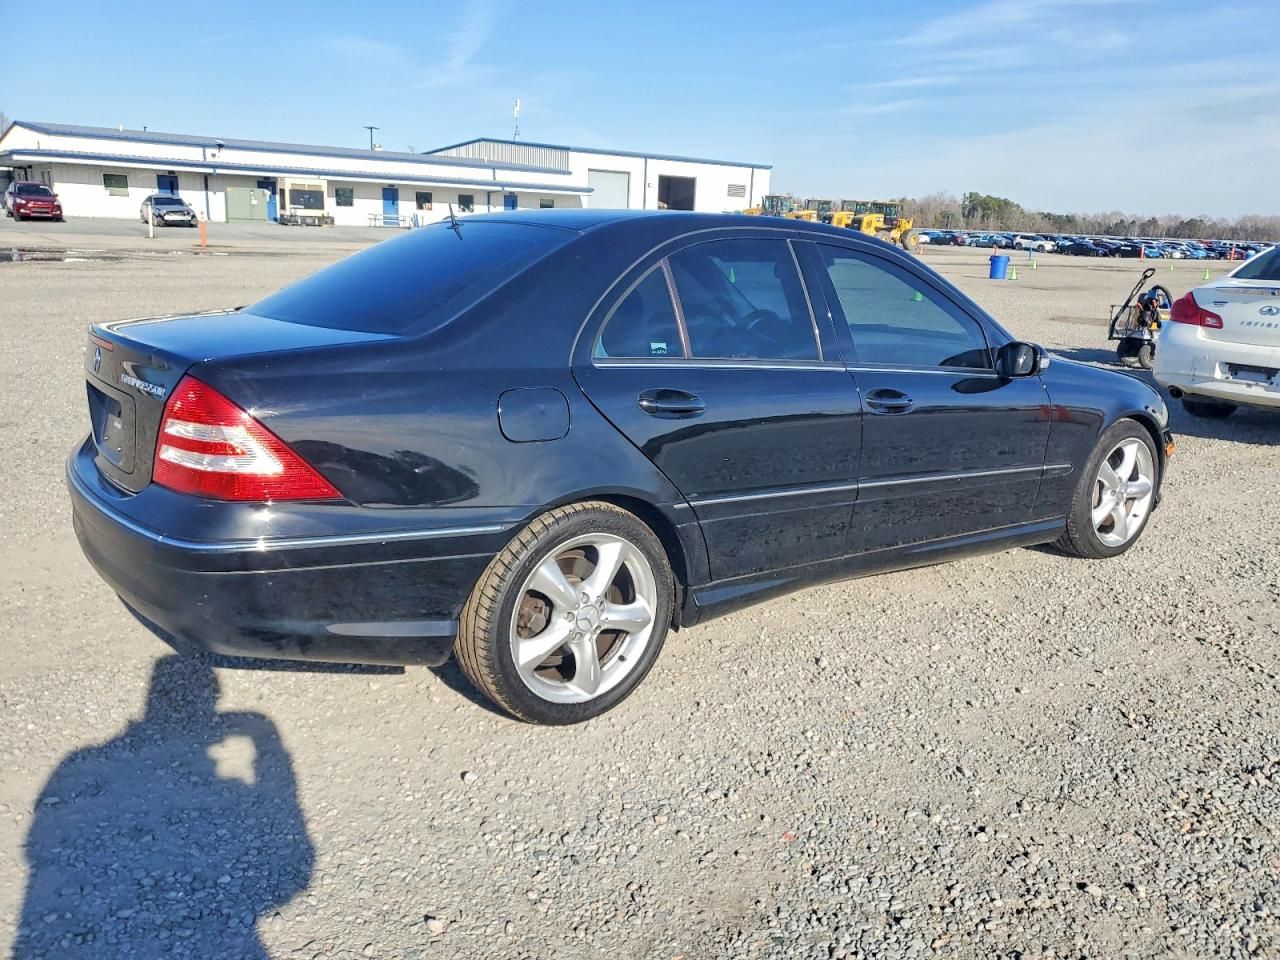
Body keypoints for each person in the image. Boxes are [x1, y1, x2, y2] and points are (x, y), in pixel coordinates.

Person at [13, 656, 313, 959]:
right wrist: (263, 741)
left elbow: (39, 846)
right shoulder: (81, 763)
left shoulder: (79, 762)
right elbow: (295, 874)